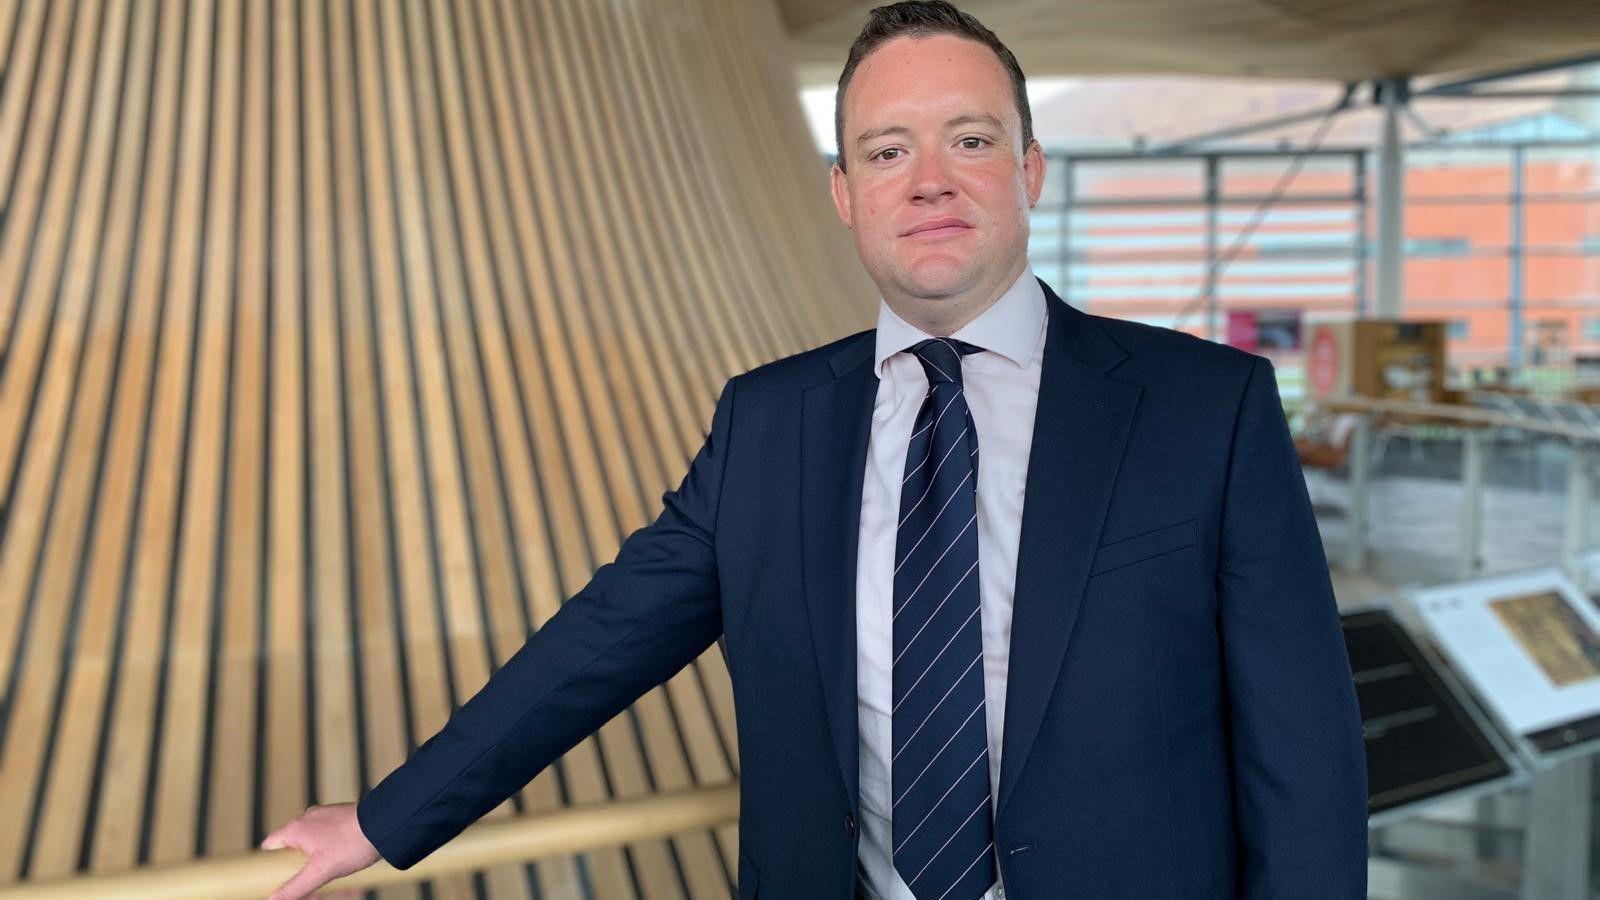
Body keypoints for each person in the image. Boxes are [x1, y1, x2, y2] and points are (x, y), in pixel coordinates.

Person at [261, 2, 1368, 898]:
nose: (928, 179)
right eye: (887, 150)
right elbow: (596, 646)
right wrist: (382, 819)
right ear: (845, 194)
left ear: (1028, 170)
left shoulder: (1202, 407)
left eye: (969, 140)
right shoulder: (768, 423)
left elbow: (1304, 758)